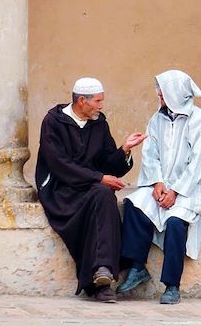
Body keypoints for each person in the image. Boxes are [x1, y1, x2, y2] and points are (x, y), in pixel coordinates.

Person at [35, 77, 147, 303]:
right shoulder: (53, 122)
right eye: (97, 101)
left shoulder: (99, 123)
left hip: (91, 188)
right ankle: (100, 281)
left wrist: (125, 149)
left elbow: (107, 162)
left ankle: (103, 273)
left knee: (103, 196)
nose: (101, 106)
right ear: (81, 101)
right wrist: (99, 178)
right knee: (101, 195)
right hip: (61, 189)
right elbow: (59, 164)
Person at [116, 70, 201, 305]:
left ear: (176, 93)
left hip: (191, 188)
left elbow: (198, 163)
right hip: (164, 185)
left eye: (163, 91)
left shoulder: (200, 121)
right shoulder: (156, 119)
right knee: (134, 204)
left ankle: (172, 285)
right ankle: (136, 266)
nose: (159, 95)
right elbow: (151, 155)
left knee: (175, 223)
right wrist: (158, 182)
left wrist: (176, 191)